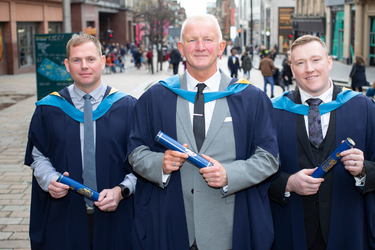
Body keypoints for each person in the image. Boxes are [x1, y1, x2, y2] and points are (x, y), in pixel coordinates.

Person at [128, 14, 279, 250]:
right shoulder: (155, 97)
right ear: (180, 48)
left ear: (221, 48)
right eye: (192, 40)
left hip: (230, 228)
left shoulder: (251, 98)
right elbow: (135, 152)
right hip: (170, 223)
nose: (200, 47)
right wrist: (161, 163)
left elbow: (269, 158)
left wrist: (230, 174)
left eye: (208, 40)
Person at [269, 35, 375, 250]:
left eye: (316, 60)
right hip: (290, 232)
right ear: (292, 69)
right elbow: (256, 173)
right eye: (300, 63)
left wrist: (363, 170)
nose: (309, 69)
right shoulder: (272, 111)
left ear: (329, 62)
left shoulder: (363, 107)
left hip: (347, 230)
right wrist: (287, 183)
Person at [24, 34, 137, 250]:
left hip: (119, 217)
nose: (84, 66)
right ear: (67, 65)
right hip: (64, 216)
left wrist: (122, 190)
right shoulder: (48, 109)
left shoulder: (129, 107)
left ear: (103, 61)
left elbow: (142, 162)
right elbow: (38, 156)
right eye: (76, 60)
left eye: (91, 59)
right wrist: (49, 179)